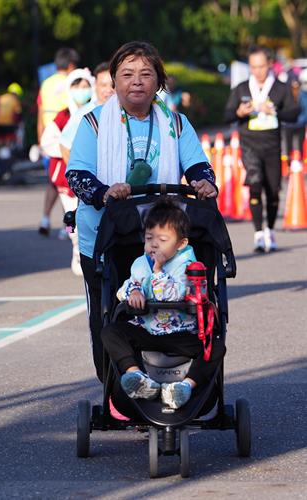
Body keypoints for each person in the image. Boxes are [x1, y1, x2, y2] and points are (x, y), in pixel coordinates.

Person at [66, 41, 217, 382]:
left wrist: (204, 183)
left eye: (146, 74)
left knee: (172, 307)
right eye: (127, 74)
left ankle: (176, 378)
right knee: (109, 314)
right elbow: (77, 174)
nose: (137, 81)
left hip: (164, 236)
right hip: (106, 236)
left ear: (158, 82)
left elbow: (196, 164)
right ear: (114, 81)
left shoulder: (175, 122)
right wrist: (104, 192)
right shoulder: (93, 123)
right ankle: (121, 390)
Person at [100, 198, 225, 409]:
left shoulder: (190, 266)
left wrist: (158, 272)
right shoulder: (141, 263)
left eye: (163, 239)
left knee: (216, 347)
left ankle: (185, 387)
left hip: (183, 334)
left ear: (181, 243)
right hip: (147, 330)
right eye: (149, 238)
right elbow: (125, 288)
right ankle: (137, 378)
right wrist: (135, 291)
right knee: (110, 332)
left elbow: (175, 294)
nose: (154, 244)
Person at [224, 45, 299, 253]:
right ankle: (258, 233)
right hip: (249, 143)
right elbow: (228, 115)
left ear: (269, 65)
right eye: (253, 67)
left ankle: (270, 230)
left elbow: (293, 113)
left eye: (262, 66)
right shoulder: (241, 88)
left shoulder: (280, 88)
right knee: (255, 183)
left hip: (272, 144)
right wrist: (239, 112)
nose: (257, 71)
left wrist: (273, 110)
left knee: (273, 190)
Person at [40, 68, 95, 276]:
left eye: (85, 86)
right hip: (65, 179)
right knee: (70, 219)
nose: (82, 90)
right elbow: (48, 142)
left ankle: (86, 251)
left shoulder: (96, 112)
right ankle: (74, 248)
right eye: (77, 86)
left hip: (91, 178)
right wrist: (69, 153)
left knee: (88, 219)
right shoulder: (63, 116)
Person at [37, 47, 80, 236]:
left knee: (55, 183)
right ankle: (68, 228)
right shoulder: (71, 84)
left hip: (49, 143)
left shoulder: (46, 83)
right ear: (71, 65)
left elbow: (40, 111)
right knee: (68, 189)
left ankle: (46, 219)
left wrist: (40, 138)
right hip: (64, 144)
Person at [60, 61, 114, 164]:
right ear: (95, 86)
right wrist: (77, 174)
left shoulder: (124, 110)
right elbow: (64, 145)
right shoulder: (84, 114)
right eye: (103, 85)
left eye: (113, 85)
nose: (109, 89)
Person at [283, 69, 307, 157]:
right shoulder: (285, 95)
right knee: (288, 147)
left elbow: (305, 110)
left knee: (301, 146)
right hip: (288, 125)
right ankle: (289, 164)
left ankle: (300, 163)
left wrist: (300, 121)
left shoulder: (303, 95)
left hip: (299, 124)